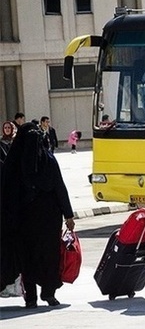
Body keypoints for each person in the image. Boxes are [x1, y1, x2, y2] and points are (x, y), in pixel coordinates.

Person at [0, 122, 75, 308]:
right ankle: (48, 293)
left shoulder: (13, 162)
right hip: (48, 220)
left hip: (23, 220)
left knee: (28, 259)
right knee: (49, 256)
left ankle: (31, 297)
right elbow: (59, 188)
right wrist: (68, 215)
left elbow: (5, 193)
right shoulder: (49, 160)